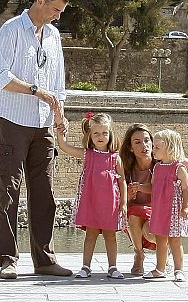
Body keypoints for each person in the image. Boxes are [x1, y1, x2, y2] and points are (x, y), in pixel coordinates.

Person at [0, 0, 72, 280]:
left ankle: (45, 260)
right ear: (40, 1)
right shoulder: (10, 31)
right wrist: (37, 91)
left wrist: (60, 113)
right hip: (10, 120)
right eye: (54, 9)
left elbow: (58, 83)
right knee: (8, 189)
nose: (57, 16)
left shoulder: (53, 36)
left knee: (45, 192)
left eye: (60, 11)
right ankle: (8, 260)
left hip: (44, 124)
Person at [120, 123, 188, 276]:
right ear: (130, 147)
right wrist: (133, 191)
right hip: (145, 214)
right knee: (135, 216)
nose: (145, 146)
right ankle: (140, 255)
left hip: (164, 212)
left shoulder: (166, 164)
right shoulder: (127, 167)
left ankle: (170, 264)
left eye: (148, 141)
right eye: (137, 142)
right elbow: (143, 190)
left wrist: (174, 154)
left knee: (171, 239)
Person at [55, 112, 127, 279]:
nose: (100, 136)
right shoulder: (87, 154)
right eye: (96, 133)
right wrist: (60, 133)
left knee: (110, 235)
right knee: (91, 234)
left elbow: (122, 180)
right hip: (91, 201)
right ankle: (86, 266)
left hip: (110, 203)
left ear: (110, 134)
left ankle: (113, 267)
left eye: (104, 133)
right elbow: (65, 147)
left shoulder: (115, 158)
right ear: (90, 135)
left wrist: (124, 202)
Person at [143, 129, 188, 282]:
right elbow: (152, 187)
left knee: (175, 241)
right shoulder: (157, 168)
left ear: (169, 148)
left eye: (157, 147)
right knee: (160, 240)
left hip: (174, 211)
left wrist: (186, 207)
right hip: (159, 210)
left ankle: (179, 269)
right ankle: (160, 268)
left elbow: (186, 188)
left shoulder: (179, 168)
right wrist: (139, 187)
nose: (153, 150)